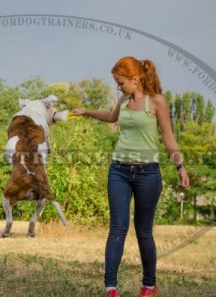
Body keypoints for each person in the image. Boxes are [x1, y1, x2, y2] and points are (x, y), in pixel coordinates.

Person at [70, 56, 189, 297]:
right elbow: (111, 117)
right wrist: (86, 112)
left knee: (143, 231)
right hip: (119, 171)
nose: (118, 87)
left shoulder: (156, 102)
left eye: (120, 82)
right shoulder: (124, 100)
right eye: (116, 82)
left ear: (135, 79)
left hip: (148, 173)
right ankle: (110, 288)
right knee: (117, 228)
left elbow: (168, 137)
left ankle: (149, 284)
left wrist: (180, 167)